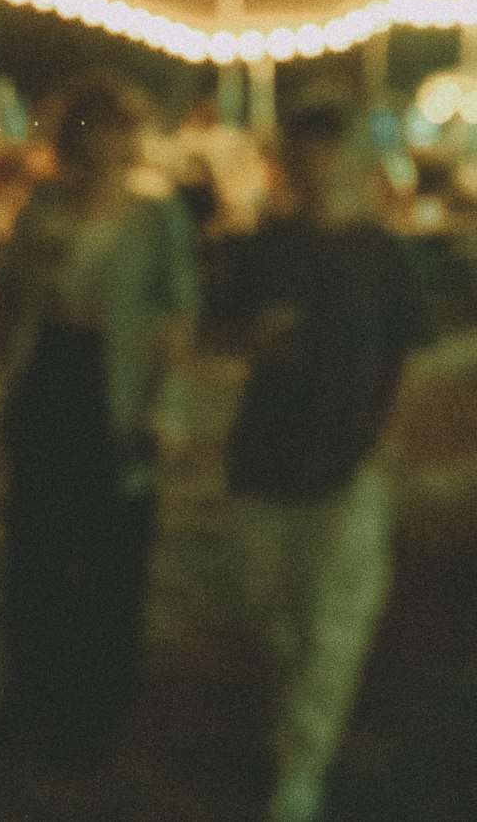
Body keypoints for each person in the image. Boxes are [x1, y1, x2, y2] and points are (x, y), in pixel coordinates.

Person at [221, 98, 425, 822]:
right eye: (301, 152)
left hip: (349, 457)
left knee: (336, 620)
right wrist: (257, 338)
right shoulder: (266, 244)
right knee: (263, 605)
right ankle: (295, 718)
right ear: (287, 163)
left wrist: (384, 442)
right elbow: (230, 333)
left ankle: (301, 766)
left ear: (350, 162)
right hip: (265, 454)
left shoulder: (382, 252)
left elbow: (406, 354)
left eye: (328, 151)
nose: (315, 165)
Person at [0, 69, 199, 765]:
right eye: (92, 128)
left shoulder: (157, 218)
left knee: (114, 554)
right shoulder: (41, 207)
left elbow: (176, 318)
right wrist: (29, 274)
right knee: (38, 547)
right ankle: (35, 691)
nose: (106, 142)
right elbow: (6, 294)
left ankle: (99, 705)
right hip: (51, 379)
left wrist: (161, 405)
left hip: (116, 391)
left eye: (118, 129)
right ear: (72, 138)